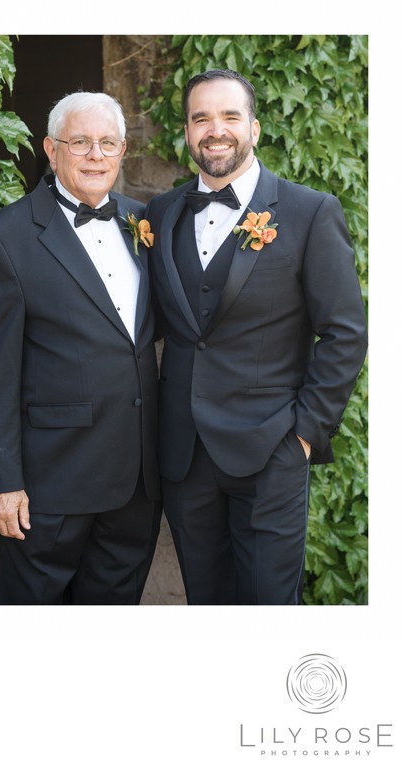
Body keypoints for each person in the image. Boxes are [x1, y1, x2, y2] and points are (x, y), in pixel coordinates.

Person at [144, 69, 368, 605]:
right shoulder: (161, 213)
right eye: (201, 118)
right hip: (184, 456)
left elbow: (344, 332)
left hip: (272, 453)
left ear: (256, 128)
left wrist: (305, 434)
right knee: (208, 602)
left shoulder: (310, 212)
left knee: (269, 608)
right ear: (187, 131)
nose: (215, 130)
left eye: (229, 117)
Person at [0, 92, 161, 604]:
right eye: (80, 142)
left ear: (122, 151)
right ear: (52, 150)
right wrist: (0, 481)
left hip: (136, 483)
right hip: (45, 488)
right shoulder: (4, 237)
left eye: (108, 143)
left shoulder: (146, 223)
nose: (96, 155)